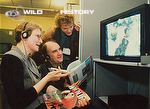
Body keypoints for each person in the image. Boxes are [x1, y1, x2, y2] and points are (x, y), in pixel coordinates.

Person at [0, 22, 69, 109]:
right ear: (24, 36)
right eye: (38, 36)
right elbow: (17, 102)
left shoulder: (30, 61)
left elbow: (42, 88)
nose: (41, 41)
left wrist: (62, 97)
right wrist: (47, 78)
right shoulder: (11, 59)